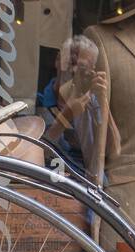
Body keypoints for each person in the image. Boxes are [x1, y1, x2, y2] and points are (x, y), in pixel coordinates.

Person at [36, 35, 119, 179]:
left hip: (87, 188)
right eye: (71, 62)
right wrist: (67, 115)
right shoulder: (39, 100)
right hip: (51, 186)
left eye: (82, 67)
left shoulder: (92, 102)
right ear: (58, 61)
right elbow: (38, 152)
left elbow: (114, 151)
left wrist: (103, 100)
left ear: (92, 71)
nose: (73, 70)